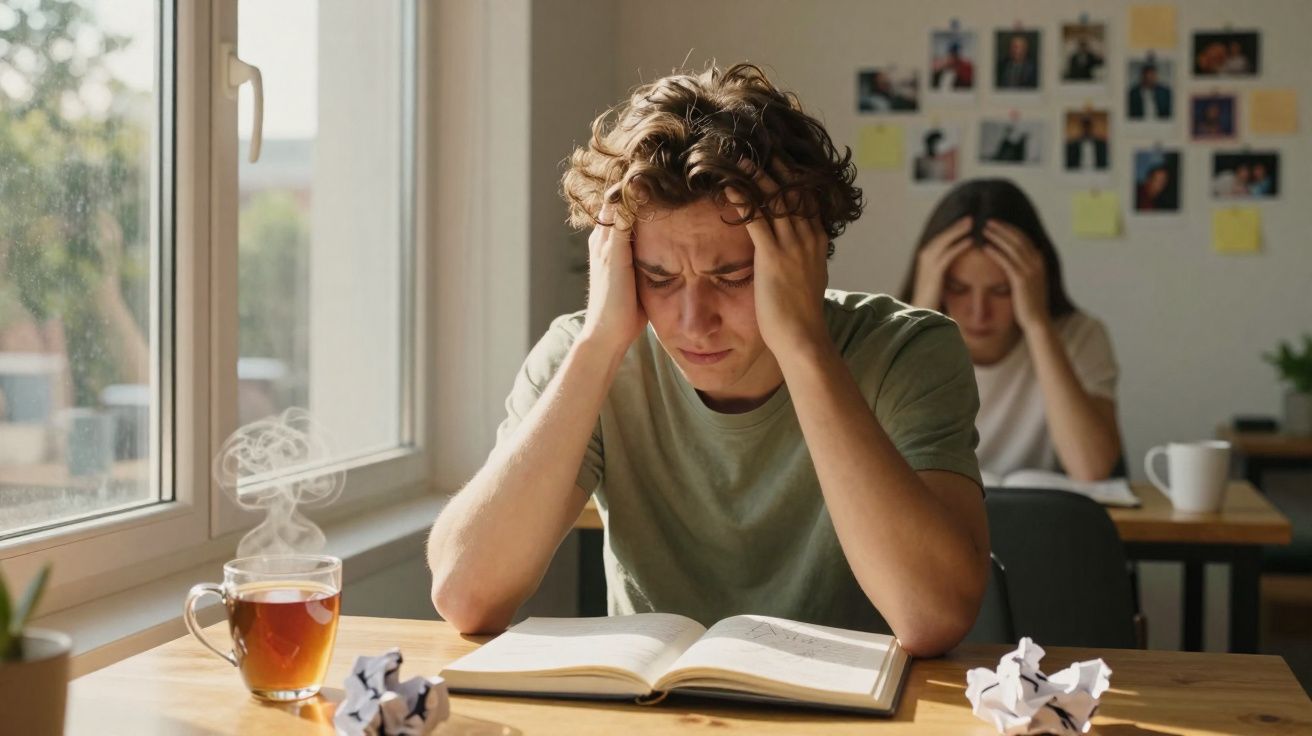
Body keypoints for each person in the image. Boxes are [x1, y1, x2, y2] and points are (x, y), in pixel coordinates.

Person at [427, 63, 989, 656]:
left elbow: (934, 616)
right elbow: (467, 596)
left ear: (807, 255)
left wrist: (803, 345)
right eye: (659, 278)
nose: (694, 322)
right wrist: (597, 345)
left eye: (733, 276)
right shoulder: (584, 353)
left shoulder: (908, 351)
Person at [898, 179, 1122, 480]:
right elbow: (876, 466)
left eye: (1001, 290)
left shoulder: (1080, 335)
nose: (979, 312)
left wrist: (1037, 324)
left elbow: (1091, 467)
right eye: (959, 288)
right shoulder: (896, 334)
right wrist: (919, 313)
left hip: (1035, 522)